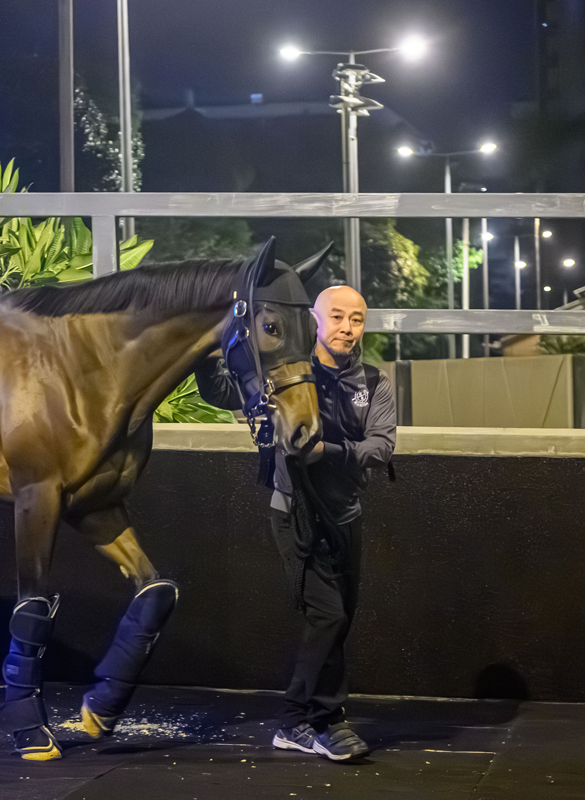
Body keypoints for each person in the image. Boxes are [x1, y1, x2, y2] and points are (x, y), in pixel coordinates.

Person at [197, 283, 395, 762]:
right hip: (295, 514)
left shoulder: (375, 381)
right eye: (338, 317)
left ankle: (325, 717)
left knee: (336, 621)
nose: (348, 328)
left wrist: (328, 451)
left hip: (348, 516)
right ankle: (299, 719)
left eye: (357, 319)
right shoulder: (286, 374)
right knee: (327, 616)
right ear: (314, 320)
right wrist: (207, 349)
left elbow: (381, 447)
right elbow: (223, 390)